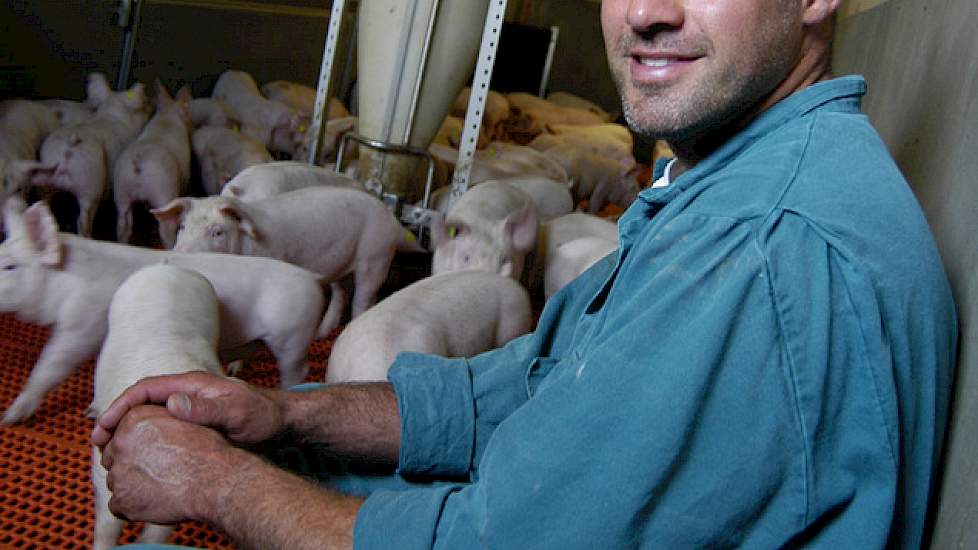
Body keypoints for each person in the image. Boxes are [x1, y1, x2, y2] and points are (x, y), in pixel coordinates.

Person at [93, 0, 958, 548]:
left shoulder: (758, 250)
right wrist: (283, 412)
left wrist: (213, 483)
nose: (646, 13)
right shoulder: (734, 183)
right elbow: (539, 385)